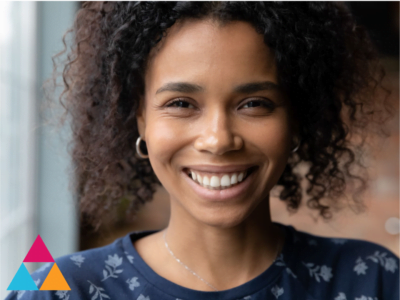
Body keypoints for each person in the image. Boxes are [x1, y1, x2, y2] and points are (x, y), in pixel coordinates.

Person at [5, 0, 399, 299]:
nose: (218, 139)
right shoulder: (57, 289)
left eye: (254, 103)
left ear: (295, 120)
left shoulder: (372, 278)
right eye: (180, 103)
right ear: (140, 118)